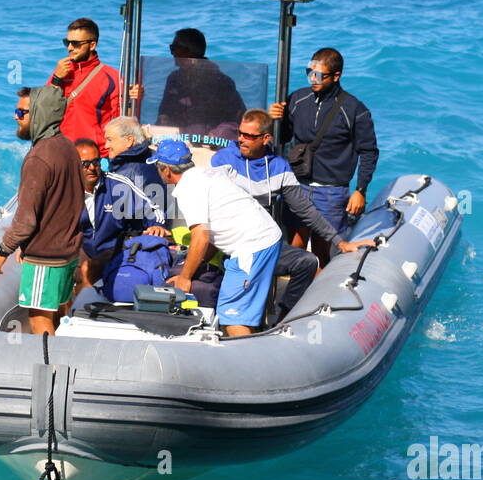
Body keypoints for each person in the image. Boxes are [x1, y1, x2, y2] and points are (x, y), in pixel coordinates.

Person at [211, 108, 373, 319]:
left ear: (266, 138)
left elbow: (305, 209)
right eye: (240, 134)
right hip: (230, 241)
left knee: (308, 262)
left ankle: (283, 318)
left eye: (249, 136)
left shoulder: (279, 167)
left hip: (262, 243)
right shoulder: (223, 160)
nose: (241, 140)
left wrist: (340, 242)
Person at [151, 139, 282, 337]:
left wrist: (185, 278)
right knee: (241, 313)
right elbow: (211, 236)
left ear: (166, 170)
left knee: (232, 315)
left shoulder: (187, 188)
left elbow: (201, 237)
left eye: (158, 168)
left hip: (252, 246)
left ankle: (246, 364)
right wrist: (195, 268)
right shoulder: (205, 174)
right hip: (263, 238)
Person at [269, 47, 379, 266]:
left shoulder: (354, 109)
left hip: (331, 191)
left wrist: (360, 190)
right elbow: (284, 137)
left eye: (319, 75)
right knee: (294, 245)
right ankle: (293, 291)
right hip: (297, 184)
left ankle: (317, 291)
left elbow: (368, 151)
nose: (313, 79)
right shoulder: (298, 99)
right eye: (309, 72)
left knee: (323, 251)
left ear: (336, 76)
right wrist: (276, 119)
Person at [0, 85, 84, 335]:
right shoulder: (66, 147)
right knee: (58, 312)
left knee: (39, 319)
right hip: (68, 251)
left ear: (39, 114)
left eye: (21, 112)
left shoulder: (38, 158)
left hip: (47, 257)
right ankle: (61, 362)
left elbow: (26, 219)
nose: (15, 117)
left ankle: (50, 369)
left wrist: (3, 250)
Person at [79, 117, 171, 301]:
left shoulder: (126, 174)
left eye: (110, 140)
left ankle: (82, 310)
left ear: (129, 140)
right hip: (107, 243)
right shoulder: (146, 159)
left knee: (86, 269)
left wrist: (156, 224)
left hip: (121, 246)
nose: (106, 145)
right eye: (85, 164)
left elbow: (152, 210)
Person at [49, 17, 123, 156]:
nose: (69, 48)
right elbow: (45, 109)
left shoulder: (112, 77)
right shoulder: (61, 71)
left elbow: (121, 122)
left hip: (94, 157)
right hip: (62, 153)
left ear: (92, 45)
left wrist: (136, 99)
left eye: (75, 43)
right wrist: (57, 78)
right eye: (67, 42)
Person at [153, 28, 246, 139]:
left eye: (175, 48)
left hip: (207, 144)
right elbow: (164, 112)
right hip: (177, 140)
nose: (172, 53)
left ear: (189, 51)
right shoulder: (173, 79)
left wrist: (216, 135)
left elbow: (237, 119)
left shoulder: (221, 82)